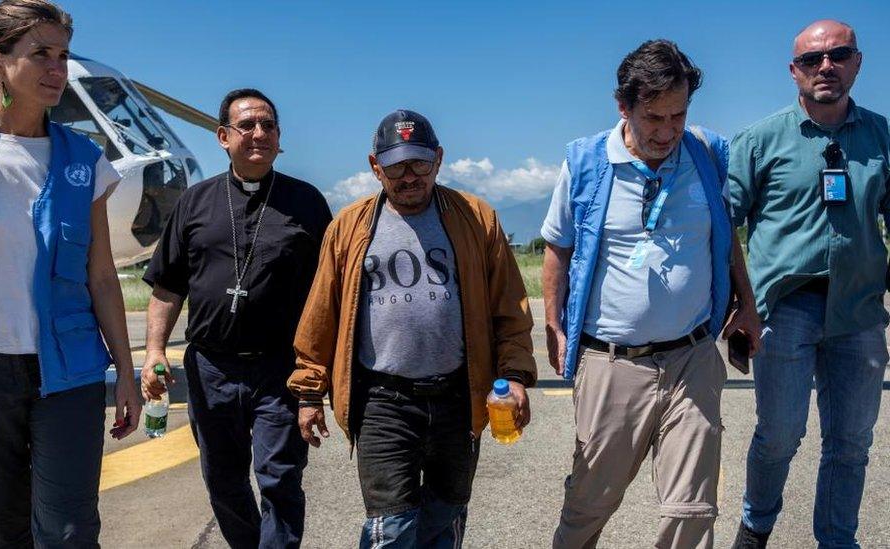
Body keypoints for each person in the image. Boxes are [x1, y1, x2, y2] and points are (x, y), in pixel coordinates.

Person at [0, 1, 140, 546]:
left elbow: (103, 277)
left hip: (69, 374)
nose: (57, 69)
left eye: (62, 55)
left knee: (68, 531)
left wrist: (127, 374)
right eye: (40, 53)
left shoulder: (83, 160)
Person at [541, 40, 761, 549]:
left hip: (692, 357)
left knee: (693, 507)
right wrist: (553, 325)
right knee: (589, 503)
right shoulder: (586, 162)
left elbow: (726, 239)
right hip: (613, 361)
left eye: (678, 116)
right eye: (653, 118)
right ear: (623, 106)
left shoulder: (707, 152)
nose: (667, 132)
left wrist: (745, 304)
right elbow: (557, 251)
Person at [289, 109, 537, 548]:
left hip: (459, 398)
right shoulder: (348, 228)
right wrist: (310, 392)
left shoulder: (477, 219)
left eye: (419, 163)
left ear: (438, 159)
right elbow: (320, 316)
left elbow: (510, 311)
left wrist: (515, 376)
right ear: (375, 166)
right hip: (383, 400)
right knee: (392, 528)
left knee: (446, 516)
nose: (409, 176)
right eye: (396, 165)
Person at [141, 88, 332, 549]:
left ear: (280, 138)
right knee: (223, 482)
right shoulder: (195, 202)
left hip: (280, 370)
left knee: (280, 480)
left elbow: (331, 293)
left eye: (268, 125)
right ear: (223, 136)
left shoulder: (306, 203)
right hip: (211, 368)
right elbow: (167, 286)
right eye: (247, 126)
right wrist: (152, 353)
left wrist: (320, 376)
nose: (259, 134)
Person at [729, 20, 890, 549]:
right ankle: (756, 525)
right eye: (812, 60)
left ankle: (837, 539)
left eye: (839, 54)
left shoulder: (881, 137)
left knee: (851, 442)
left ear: (858, 62)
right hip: (785, 309)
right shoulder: (759, 140)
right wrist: (736, 305)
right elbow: (724, 227)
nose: (826, 67)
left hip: (860, 311)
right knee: (779, 436)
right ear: (793, 71)